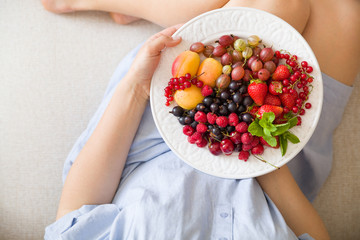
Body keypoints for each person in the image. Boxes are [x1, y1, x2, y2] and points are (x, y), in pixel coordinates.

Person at [43, 0, 359, 239]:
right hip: (273, 156)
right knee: (343, 9)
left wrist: (136, 89)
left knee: (279, 2)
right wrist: (263, 157)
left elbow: (75, 212)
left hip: (170, 130)